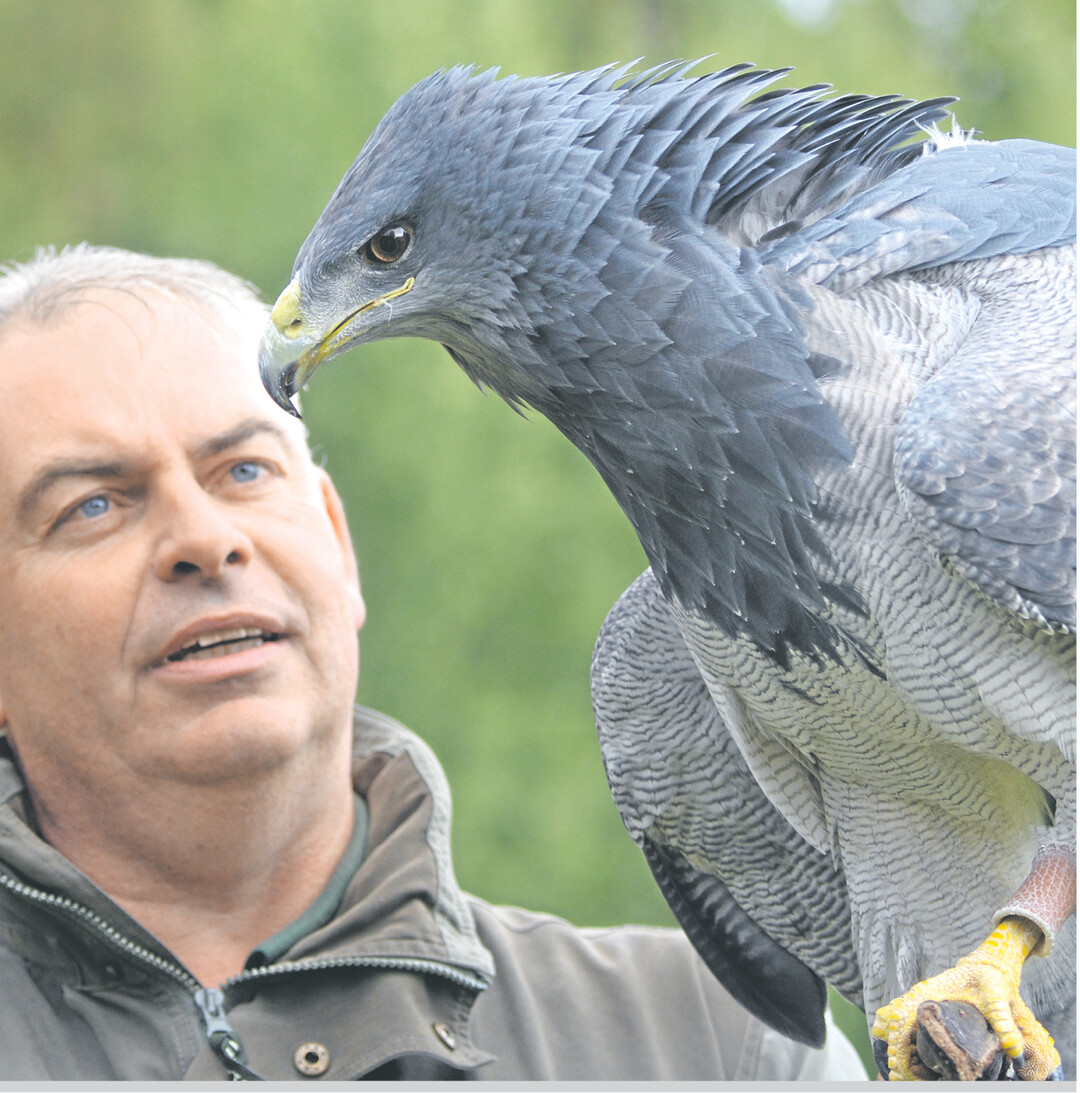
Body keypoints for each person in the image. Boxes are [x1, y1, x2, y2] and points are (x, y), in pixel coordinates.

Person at [0, 244, 866, 1081]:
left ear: (339, 549)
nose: (206, 539)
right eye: (94, 505)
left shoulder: (716, 1047)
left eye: (247, 469)